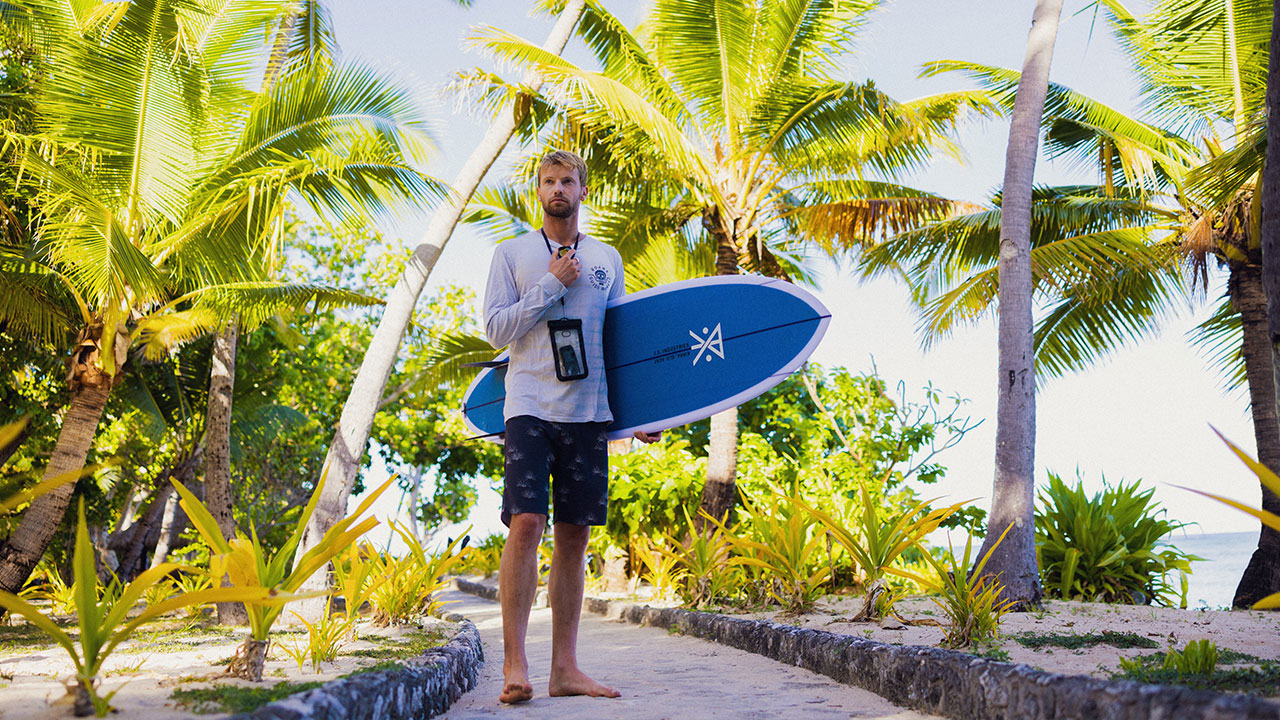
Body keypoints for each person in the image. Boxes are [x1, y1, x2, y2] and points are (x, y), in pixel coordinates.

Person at [482, 149, 660, 704]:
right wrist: (550, 285)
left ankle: (565, 670)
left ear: (583, 190)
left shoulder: (607, 258)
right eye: (548, 181)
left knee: (574, 536)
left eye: (567, 181)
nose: (557, 188)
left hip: (588, 412)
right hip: (529, 405)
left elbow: (620, 342)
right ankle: (515, 664)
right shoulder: (511, 254)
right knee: (527, 521)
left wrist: (641, 416)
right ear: (537, 191)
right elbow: (495, 330)